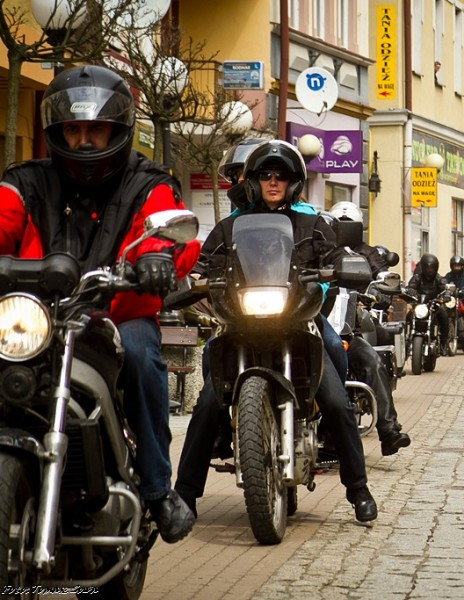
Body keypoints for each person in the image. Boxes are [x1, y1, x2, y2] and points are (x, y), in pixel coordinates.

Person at [0, 65, 199, 542]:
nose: (84, 141)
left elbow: (165, 229)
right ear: (56, 130)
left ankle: (156, 488)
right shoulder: (26, 182)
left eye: (95, 129)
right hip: (34, 319)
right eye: (74, 128)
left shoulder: (146, 182)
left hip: (115, 316)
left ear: (117, 130)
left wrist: (158, 259)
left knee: (142, 355)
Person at [176, 140, 377, 522]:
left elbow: (333, 259)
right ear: (253, 181)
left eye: (281, 176)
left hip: (297, 322)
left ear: (292, 182)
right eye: (266, 175)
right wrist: (193, 279)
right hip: (241, 324)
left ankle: (359, 488)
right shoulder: (229, 227)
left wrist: (342, 269)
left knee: (335, 400)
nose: (273, 182)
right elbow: (204, 263)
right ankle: (183, 495)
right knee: (206, 405)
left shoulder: (312, 225)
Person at [327, 201, 411, 456]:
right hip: (318, 320)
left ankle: (388, 430)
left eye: (347, 226)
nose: (342, 230)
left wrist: (379, 290)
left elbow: (381, 273)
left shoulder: (367, 252)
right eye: (338, 225)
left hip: (349, 322)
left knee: (373, 361)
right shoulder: (321, 249)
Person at [407, 253, 451, 353]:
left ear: (436, 268)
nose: (429, 270)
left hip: (434, 305)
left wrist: (446, 294)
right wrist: (410, 290)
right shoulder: (417, 278)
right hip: (420, 305)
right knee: (408, 316)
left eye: (431, 268)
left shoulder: (439, 279)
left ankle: (444, 343)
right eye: (427, 267)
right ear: (422, 267)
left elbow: (445, 287)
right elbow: (410, 286)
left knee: (444, 316)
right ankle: (407, 339)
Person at [445, 255, 464, 333]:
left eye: (458, 266)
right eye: (455, 266)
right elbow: (444, 284)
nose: (457, 268)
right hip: (452, 299)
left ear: (462, 266)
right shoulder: (449, 275)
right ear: (452, 266)